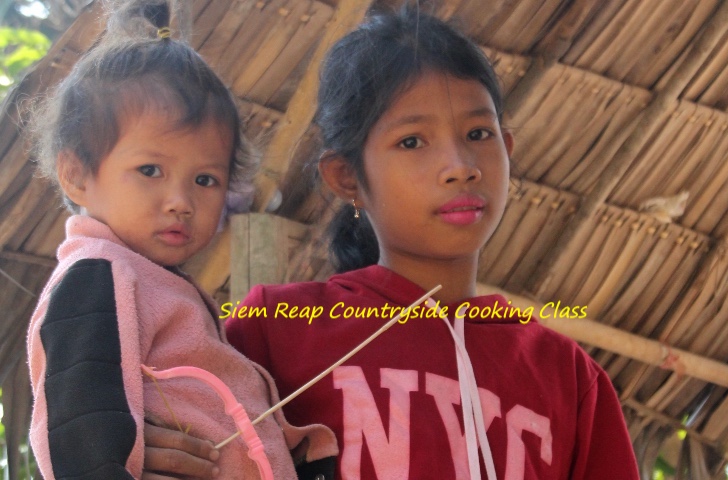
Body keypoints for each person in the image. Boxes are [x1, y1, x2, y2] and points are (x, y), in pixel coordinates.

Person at [147, 6, 640, 479]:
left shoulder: (568, 378)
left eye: (477, 133)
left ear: (507, 150)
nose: (461, 164)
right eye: (412, 141)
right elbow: (180, 438)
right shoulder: (276, 330)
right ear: (347, 178)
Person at [25, 1, 337, 479]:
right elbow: (76, 420)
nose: (180, 201)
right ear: (77, 174)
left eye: (206, 180)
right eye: (150, 170)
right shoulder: (97, 276)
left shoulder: (164, 287)